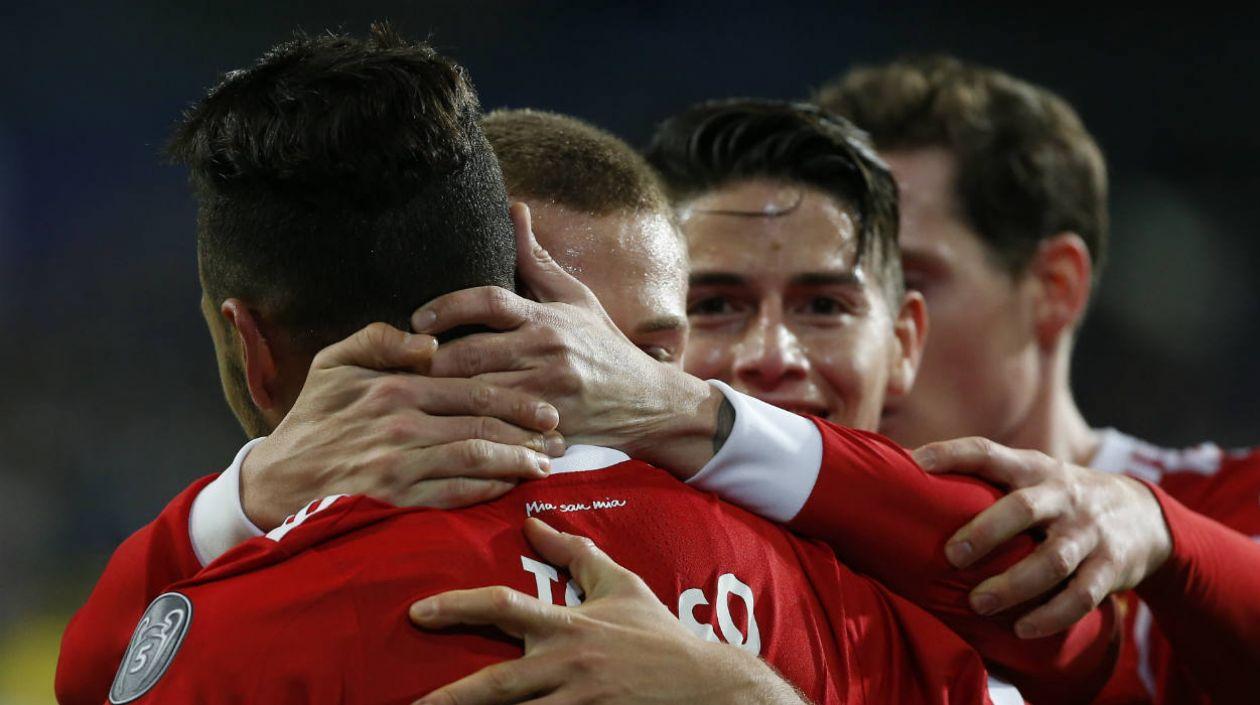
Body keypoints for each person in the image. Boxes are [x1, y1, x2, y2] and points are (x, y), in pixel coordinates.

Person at [59, 28, 1003, 705]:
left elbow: (99, 673)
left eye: (649, 355)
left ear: (253, 347)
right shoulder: (827, 597)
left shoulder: (236, 635)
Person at [817, 55, 1260, 703]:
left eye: (908, 283)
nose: (866, 343)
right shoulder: (774, 532)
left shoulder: (1233, 503)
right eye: (828, 299)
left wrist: (1164, 533)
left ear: (1055, 288)